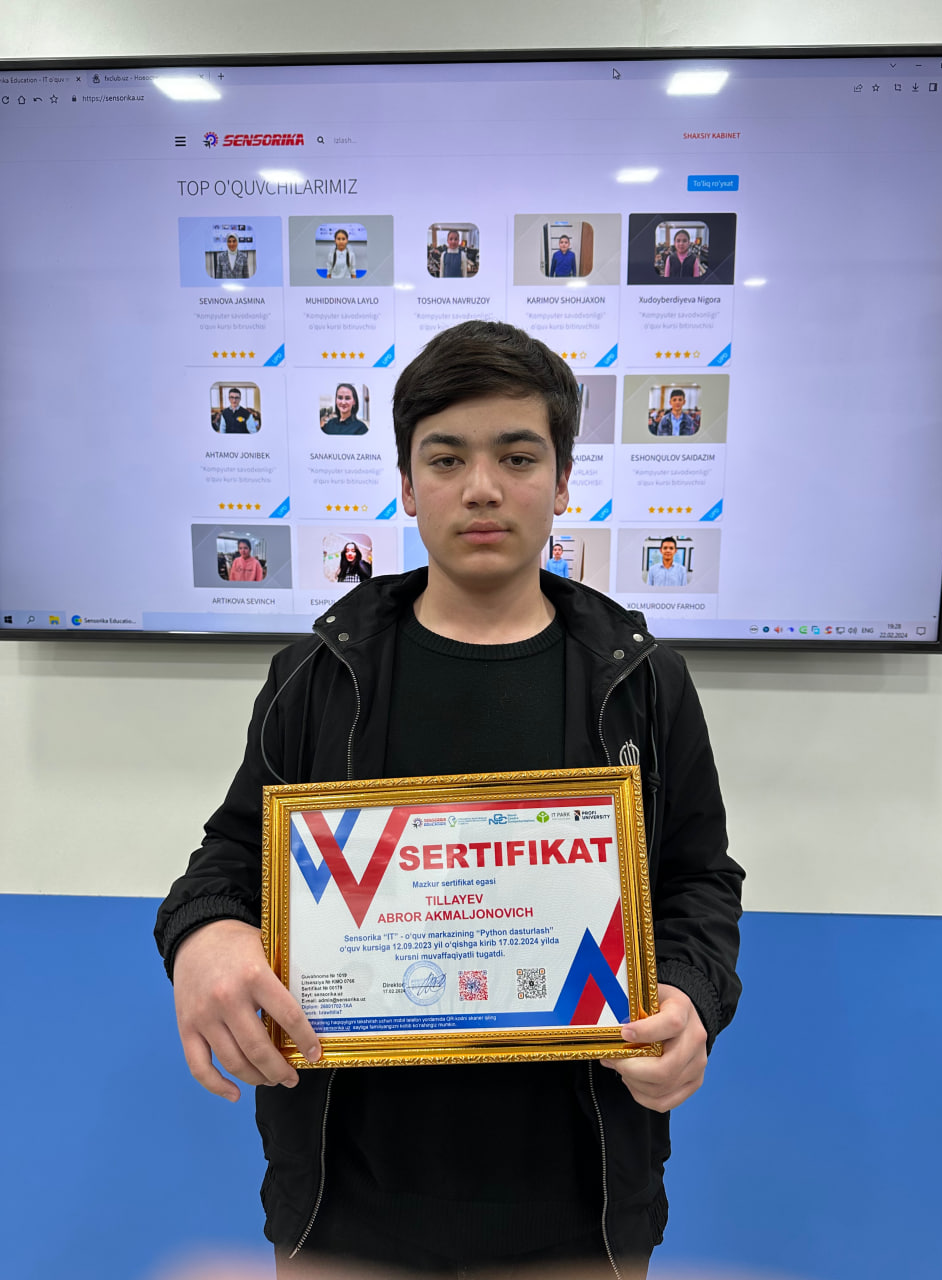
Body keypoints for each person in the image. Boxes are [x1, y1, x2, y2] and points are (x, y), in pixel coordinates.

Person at [156, 320, 742, 1279]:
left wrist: (688, 997)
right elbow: (228, 860)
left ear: (563, 482)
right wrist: (207, 936)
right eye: (446, 458)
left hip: (583, 1206)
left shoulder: (643, 681)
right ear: (405, 482)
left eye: (518, 456)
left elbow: (698, 881)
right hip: (343, 1204)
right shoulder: (316, 675)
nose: (481, 487)